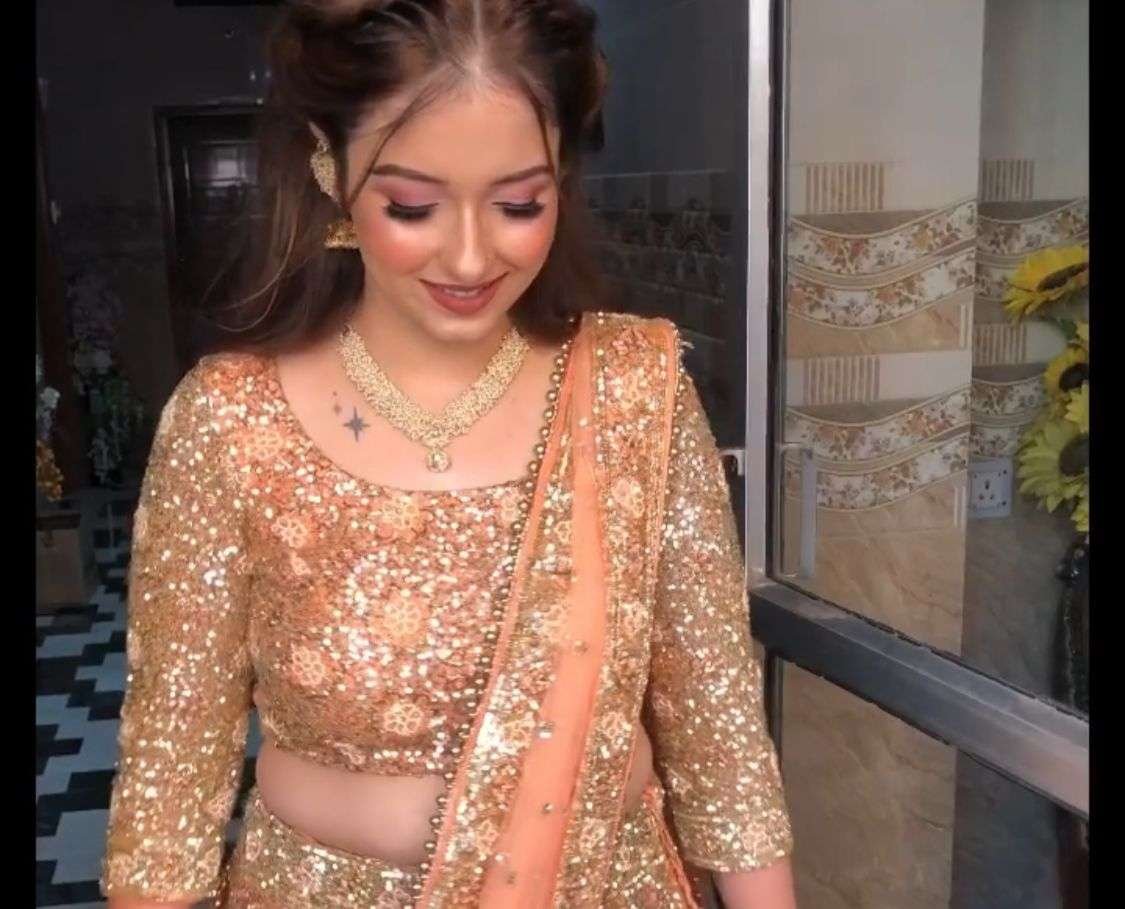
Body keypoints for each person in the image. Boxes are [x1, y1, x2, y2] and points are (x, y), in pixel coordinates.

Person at [100, 2, 796, 906]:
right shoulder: (233, 418)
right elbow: (171, 772)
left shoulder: (632, 392)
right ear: (329, 165)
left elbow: (719, 733)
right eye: (413, 206)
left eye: (518, 204)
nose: (470, 258)